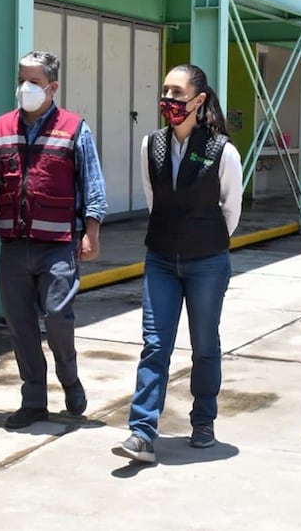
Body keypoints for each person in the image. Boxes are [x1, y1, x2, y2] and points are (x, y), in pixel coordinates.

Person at [0, 50, 107, 430]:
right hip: (14, 246)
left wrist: (91, 233)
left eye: (34, 82)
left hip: (57, 244)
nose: (25, 88)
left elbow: (94, 186)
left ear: (52, 87)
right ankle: (33, 398)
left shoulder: (75, 129)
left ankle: (69, 379)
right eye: (22, 79)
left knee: (57, 318)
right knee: (20, 327)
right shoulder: (1, 127)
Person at [112, 64, 242, 464]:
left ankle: (203, 421)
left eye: (177, 93)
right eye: (165, 92)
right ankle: (142, 431)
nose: (168, 100)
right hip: (162, 260)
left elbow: (230, 210)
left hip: (207, 262)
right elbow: (155, 200)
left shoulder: (222, 150)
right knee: (155, 344)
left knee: (204, 345)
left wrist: (202, 238)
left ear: (198, 100)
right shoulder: (150, 144)